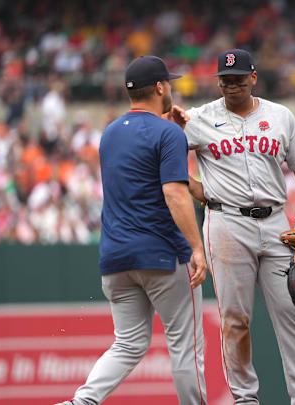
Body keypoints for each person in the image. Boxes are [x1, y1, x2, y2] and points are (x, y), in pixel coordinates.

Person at [56, 55, 208, 405]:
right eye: (168, 82)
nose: (170, 87)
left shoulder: (110, 132)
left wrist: (173, 133)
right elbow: (173, 191)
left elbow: (142, 170)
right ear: (159, 87)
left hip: (116, 257)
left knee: (128, 343)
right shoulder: (167, 132)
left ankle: (80, 403)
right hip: (162, 254)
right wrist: (196, 248)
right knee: (186, 347)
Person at [183, 49, 295, 405]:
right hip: (226, 222)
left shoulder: (280, 116)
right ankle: (245, 400)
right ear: (218, 81)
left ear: (254, 78)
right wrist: (197, 189)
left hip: (276, 221)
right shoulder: (199, 119)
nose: (232, 84)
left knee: (292, 314)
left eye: (239, 78)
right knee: (235, 320)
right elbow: (164, 157)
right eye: (226, 79)